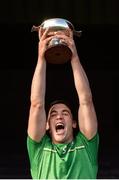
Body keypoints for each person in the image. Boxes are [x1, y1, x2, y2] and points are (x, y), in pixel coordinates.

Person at [27, 26, 99, 179]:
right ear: (46, 125)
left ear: (74, 123)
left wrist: (74, 57)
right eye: (53, 114)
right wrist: (41, 57)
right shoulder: (39, 150)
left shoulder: (86, 146)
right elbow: (36, 104)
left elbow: (86, 101)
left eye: (65, 113)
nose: (59, 117)